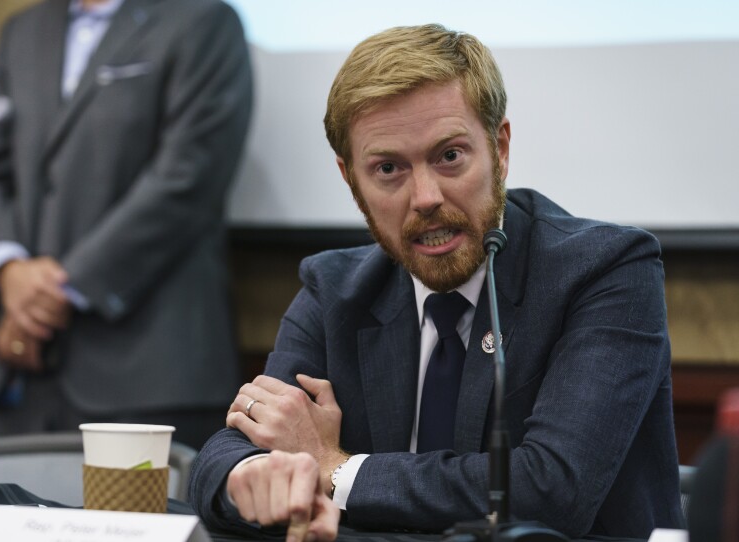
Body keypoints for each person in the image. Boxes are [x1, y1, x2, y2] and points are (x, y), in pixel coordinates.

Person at [188, 24, 684, 541]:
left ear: (500, 147)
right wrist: (255, 476)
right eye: (388, 169)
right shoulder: (336, 289)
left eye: (449, 156)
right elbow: (228, 452)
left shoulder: (604, 270)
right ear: (350, 178)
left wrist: (334, 470)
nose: (425, 197)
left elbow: (550, 489)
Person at [0, 0, 252, 451]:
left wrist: (53, 293)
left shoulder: (204, 20)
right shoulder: (24, 29)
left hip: (146, 373)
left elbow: (187, 180)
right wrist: (8, 269)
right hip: (23, 375)